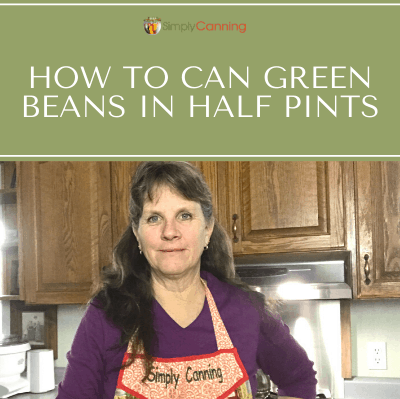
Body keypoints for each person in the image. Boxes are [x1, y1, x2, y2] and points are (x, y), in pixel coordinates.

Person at [57, 161, 317, 399]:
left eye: (185, 215)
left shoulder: (246, 309)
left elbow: (299, 379)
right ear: (137, 234)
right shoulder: (106, 315)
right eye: (154, 218)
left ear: (207, 229)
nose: (170, 232)